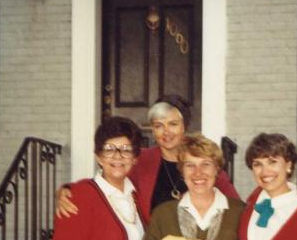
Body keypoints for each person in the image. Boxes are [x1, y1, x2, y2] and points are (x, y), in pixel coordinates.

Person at [56, 94, 239, 219]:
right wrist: (69, 190)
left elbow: (236, 205)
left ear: (185, 126)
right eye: (159, 125)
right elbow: (106, 180)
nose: (166, 132)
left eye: (173, 124)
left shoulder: (202, 162)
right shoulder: (140, 160)